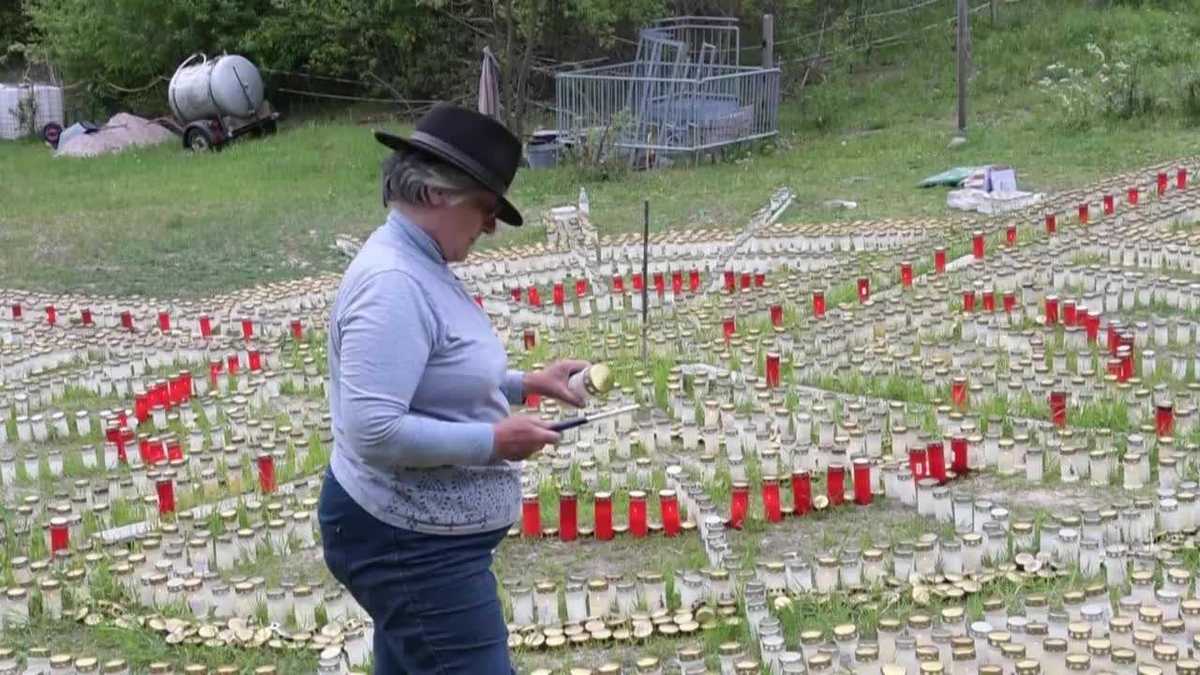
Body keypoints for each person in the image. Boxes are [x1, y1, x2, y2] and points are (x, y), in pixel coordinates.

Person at [318, 103, 587, 673]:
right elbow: (374, 429)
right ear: (439, 193)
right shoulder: (393, 282)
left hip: (421, 538)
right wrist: (493, 441)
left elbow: (435, 376)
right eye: (487, 208)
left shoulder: (420, 261)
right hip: (411, 545)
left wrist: (525, 383)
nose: (490, 226)